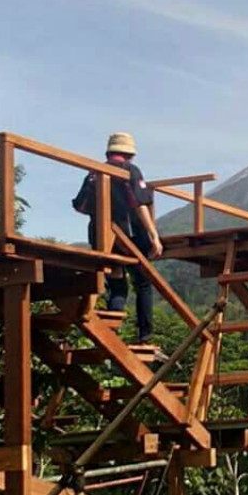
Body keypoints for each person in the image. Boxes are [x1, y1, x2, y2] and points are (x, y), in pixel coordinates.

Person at [73, 132, 163, 346]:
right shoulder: (130, 171)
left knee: (117, 284)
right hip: (129, 235)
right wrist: (154, 236)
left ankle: (111, 333)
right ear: (130, 153)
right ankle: (145, 336)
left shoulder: (94, 173)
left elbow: (81, 205)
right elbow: (140, 204)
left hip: (101, 236)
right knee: (143, 282)